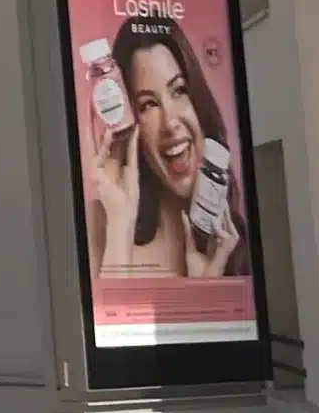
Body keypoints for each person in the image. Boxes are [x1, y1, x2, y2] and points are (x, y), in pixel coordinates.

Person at [84, 15, 249, 281]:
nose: (170, 123)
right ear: (130, 119)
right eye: (148, 105)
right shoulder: (100, 224)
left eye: (179, 91)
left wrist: (207, 288)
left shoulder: (236, 238)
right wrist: (120, 223)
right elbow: (109, 321)